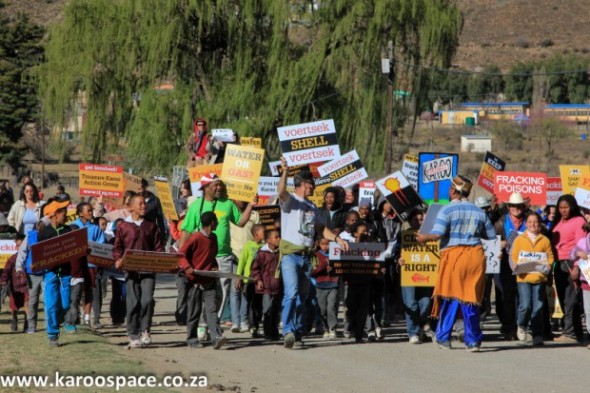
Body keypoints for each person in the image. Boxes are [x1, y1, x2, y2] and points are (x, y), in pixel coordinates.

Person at [417, 175, 496, 352]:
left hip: (454, 257)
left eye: (449, 188)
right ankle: (473, 340)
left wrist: (424, 238)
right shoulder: (479, 211)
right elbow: (490, 236)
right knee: (471, 299)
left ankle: (444, 337)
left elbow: (437, 234)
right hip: (475, 257)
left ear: (453, 190)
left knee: (451, 297)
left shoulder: (446, 210)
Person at [277, 157, 348, 349]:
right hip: (290, 256)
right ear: (302, 184)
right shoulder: (290, 201)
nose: (314, 187)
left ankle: (298, 333)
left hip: (307, 257)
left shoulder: (312, 207)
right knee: (291, 293)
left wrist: (337, 239)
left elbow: (320, 228)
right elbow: (281, 191)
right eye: (311, 184)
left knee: (302, 296)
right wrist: (284, 171)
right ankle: (287, 331)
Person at [180, 173, 255, 327]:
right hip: (200, 258)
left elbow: (240, 222)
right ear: (206, 187)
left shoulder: (227, 203)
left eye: (220, 184)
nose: (219, 187)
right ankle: (202, 324)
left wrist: (251, 205)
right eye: (215, 185)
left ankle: (209, 324)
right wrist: (181, 257)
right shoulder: (196, 206)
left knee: (221, 293)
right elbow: (186, 231)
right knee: (201, 292)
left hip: (224, 256)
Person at [113, 194, 164, 348]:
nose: (144, 206)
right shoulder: (123, 226)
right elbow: (118, 248)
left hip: (149, 270)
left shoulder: (151, 226)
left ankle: (145, 330)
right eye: (140, 204)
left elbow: (158, 247)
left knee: (147, 300)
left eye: (145, 204)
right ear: (131, 207)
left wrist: (162, 260)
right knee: (133, 301)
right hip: (130, 270)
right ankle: (133, 333)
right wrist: (118, 260)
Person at [179, 211, 227, 349]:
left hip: (209, 280)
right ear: (212, 223)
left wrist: (214, 267)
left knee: (211, 310)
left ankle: (216, 337)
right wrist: (188, 267)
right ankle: (192, 339)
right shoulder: (195, 238)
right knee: (195, 311)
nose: (217, 223)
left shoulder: (214, 238)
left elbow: (212, 257)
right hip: (194, 281)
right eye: (216, 221)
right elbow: (181, 254)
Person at [510, 212, 554, 346]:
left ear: (540, 224)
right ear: (526, 224)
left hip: (539, 278)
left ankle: (537, 334)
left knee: (538, 307)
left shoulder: (545, 240)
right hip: (523, 277)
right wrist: (516, 266)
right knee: (525, 305)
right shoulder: (519, 239)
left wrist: (548, 266)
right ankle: (522, 326)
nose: (532, 224)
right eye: (529, 222)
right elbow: (514, 255)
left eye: (535, 222)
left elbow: (550, 257)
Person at [38, 198, 76, 347]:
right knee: (51, 305)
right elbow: (39, 254)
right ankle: (53, 335)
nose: (66, 215)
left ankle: (57, 320)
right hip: (50, 274)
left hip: (66, 274)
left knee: (65, 304)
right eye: (63, 212)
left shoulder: (68, 231)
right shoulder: (44, 233)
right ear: (55, 214)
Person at [493, 192, 529, 340]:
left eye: (519, 205)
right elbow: (491, 243)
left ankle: (522, 327)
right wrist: (498, 248)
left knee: (523, 297)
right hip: (505, 264)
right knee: (507, 297)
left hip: (525, 262)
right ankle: (509, 328)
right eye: (513, 206)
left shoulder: (530, 221)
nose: (516, 208)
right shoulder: (500, 222)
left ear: (523, 206)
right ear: (508, 207)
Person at [551, 194, 586, 342]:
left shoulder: (579, 221)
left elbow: (581, 245)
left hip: (572, 263)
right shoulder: (558, 222)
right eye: (561, 208)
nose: (563, 210)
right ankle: (576, 331)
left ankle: (570, 332)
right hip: (559, 263)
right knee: (564, 297)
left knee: (571, 299)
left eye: (566, 207)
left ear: (572, 207)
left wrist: (577, 266)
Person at [399, 210, 435, 344]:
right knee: (411, 304)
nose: (419, 222)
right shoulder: (403, 235)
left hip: (426, 274)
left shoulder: (431, 236)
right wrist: (399, 259)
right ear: (410, 221)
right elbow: (396, 251)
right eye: (416, 220)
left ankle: (420, 325)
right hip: (409, 275)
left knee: (425, 303)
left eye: (421, 220)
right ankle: (412, 332)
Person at [69, 202, 107, 329]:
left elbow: (101, 246)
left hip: (91, 265)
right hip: (76, 266)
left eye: (91, 210)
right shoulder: (72, 227)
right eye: (88, 210)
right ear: (80, 213)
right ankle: (76, 317)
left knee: (89, 291)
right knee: (76, 292)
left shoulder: (96, 228)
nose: (91, 213)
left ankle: (87, 319)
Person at [251, 229, 283, 340]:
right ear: (268, 240)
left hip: (278, 286)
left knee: (276, 309)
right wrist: (258, 280)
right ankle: (267, 332)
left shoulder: (281, 252)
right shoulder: (262, 253)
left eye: (279, 237)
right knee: (267, 310)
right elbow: (255, 269)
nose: (279, 239)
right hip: (266, 286)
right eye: (276, 237)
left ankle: (274, 332)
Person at [235, 223, 265, 337]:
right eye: (263, 232)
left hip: (261, 280)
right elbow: (242, 261)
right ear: (256, 234)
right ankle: (252, 326)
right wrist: (239, 277)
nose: (265, 234)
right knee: (251, 304)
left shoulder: (265, 246)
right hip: (249, 280)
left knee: (259, 304)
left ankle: (257, 325)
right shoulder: (248, 245)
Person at [311, 236, 339, 339]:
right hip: (321, 285)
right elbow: (312, 271)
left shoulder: (335, 254)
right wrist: (324, 264)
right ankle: (325, 328)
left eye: (327, 244)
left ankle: (333, 328)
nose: (325, 246)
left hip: (333, 285)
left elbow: (340, 267)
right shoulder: (316, 255)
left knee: (331, 307)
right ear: (319, 244)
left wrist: (333, 268)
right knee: (322, 309)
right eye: (323, 244)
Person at [569, 222, 590, 349]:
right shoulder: (583, 241)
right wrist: (578, 253)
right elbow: (571, 254)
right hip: (587, 281)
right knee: (588, 310)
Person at [0, 234, 27, 332]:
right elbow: (6, 271)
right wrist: (3, 280)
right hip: (14, 286)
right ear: (15, 246)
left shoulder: (28, 258)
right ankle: (14, 319)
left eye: (21, 245)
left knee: (26, 305)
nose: (19, 247)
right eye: (18, 245)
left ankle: (27, 322)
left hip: (27, 286)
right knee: (13, 306)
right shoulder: (12, 259)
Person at [139, 178, 168, 243]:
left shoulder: (155, 200)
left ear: (145, 187)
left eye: (141, 188)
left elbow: (160, 219)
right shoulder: (134, 199)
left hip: (150, 235)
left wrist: (163, 235)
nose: (139, 191)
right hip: (137, 234)